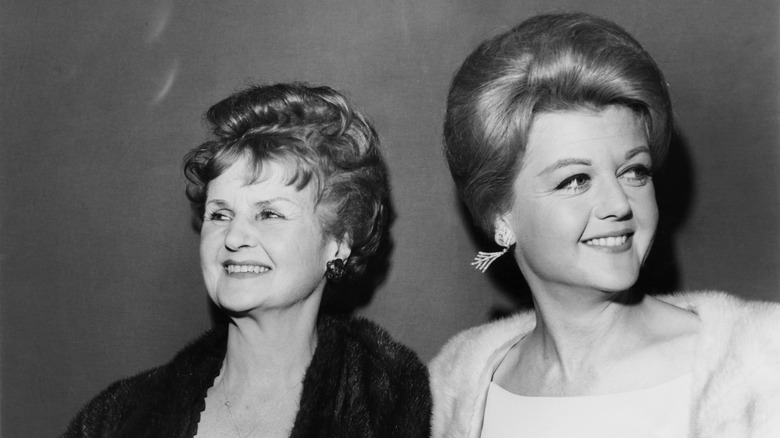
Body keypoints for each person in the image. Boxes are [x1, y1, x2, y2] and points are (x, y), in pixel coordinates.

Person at [430, 12, 780, 438]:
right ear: (500, 215)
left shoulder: (762, 367)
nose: (619, 204)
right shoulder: (455, 390)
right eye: (575, 180)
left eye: (635, 171)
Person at [62, 82, 431, 438]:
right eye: (220, 215)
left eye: (268, 214)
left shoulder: (390, 409)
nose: (234, 237)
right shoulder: (117, 418)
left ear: (339, 241)